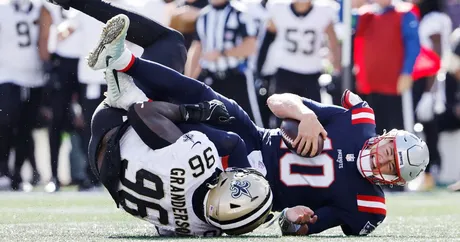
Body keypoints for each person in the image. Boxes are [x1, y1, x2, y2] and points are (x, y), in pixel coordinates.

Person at [85, 14, 430, 236]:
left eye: (391, 167)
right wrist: (307, 116)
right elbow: (276, 102)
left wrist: (294, 220)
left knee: (214, 147)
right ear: (385, 138)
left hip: (258, 195)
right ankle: (123, 62)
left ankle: (183, 219)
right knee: (218, 104)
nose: (383, 161)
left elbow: (295, 226)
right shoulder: (357, 120)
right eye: (389, 152)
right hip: (255, 138)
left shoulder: (367, 206)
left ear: (396, 180)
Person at [89, 89, 273, 236]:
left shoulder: (197, 159)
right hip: (104, 172)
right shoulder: (205, 230)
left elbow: (139, 112)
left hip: (111, 128)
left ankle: (123, 80)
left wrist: (197, 112)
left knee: (173, 44)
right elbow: (164, 229)